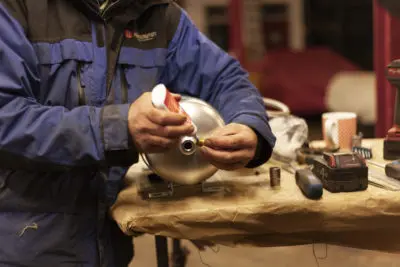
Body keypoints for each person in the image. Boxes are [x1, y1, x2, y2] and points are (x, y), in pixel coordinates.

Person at [0, 0, 276, 266]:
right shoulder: (17, 8)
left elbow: (226, 80)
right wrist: (119, 129)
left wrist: (249, 125)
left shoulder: (157, 14)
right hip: (21, 247)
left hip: (109, 247)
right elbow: (6, 119)